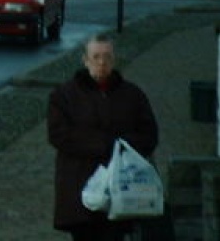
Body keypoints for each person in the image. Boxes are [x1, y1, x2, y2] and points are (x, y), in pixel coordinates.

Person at [47, 32, 159, 240]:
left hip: (121, 191)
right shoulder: (64, 95)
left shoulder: (132, 95)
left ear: (114, 59)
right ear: (85, 60)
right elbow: (58, 134)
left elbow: (149, 135)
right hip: (79, 190)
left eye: (107, 57)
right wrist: (102, 144)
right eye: (96, 57)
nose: (101, 62)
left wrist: (122, 145)